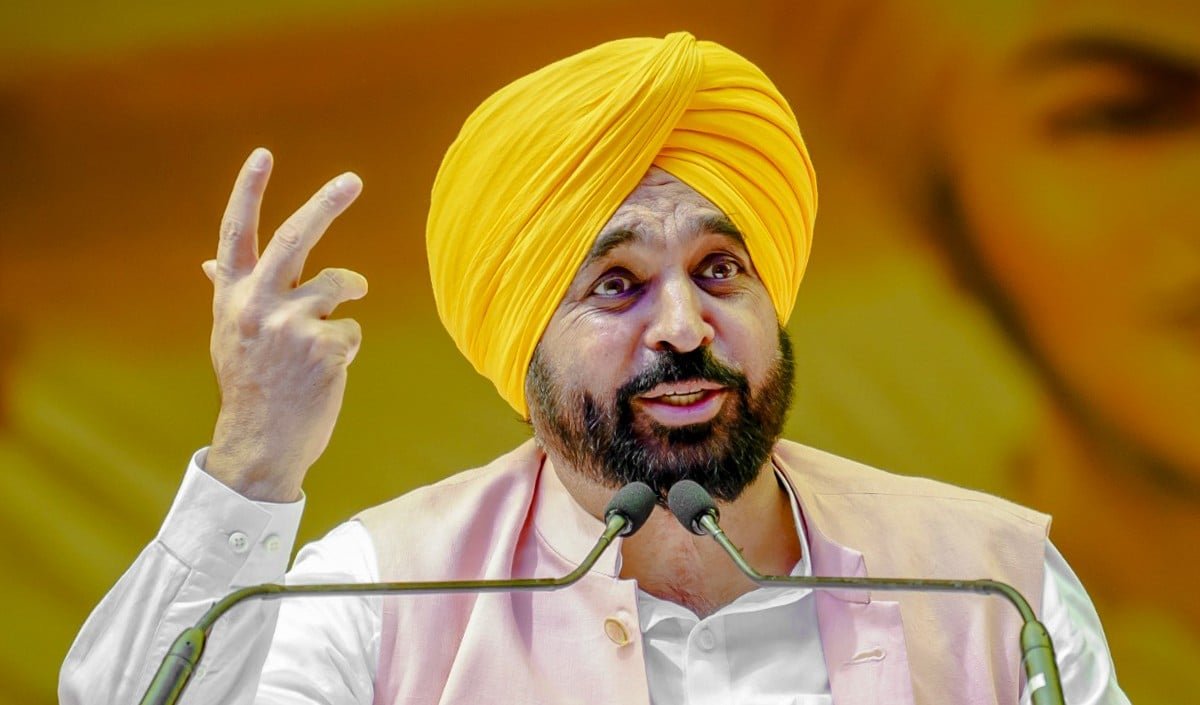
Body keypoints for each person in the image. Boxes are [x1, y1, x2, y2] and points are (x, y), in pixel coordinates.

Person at [60, 33, 1129, 705]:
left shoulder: (992, 585)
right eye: (616, 285)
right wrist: (252, 460)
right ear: (520, 333)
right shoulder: (387, 594)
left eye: (720, 270)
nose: (683, 327)